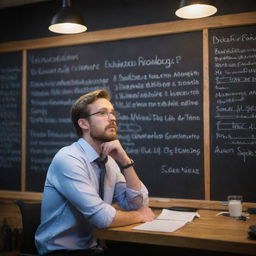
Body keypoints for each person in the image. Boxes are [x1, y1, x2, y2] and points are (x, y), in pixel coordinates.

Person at [35, 89, 155, 256]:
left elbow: (136, 203)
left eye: (112, 113)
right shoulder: (69, 159)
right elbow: (102, 218)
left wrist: (126, 162)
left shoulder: (109, 161)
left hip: (94, 247)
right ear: (83, 123)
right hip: (62, 251)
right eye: (103, 113)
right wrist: (139, 216)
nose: (113, 118)